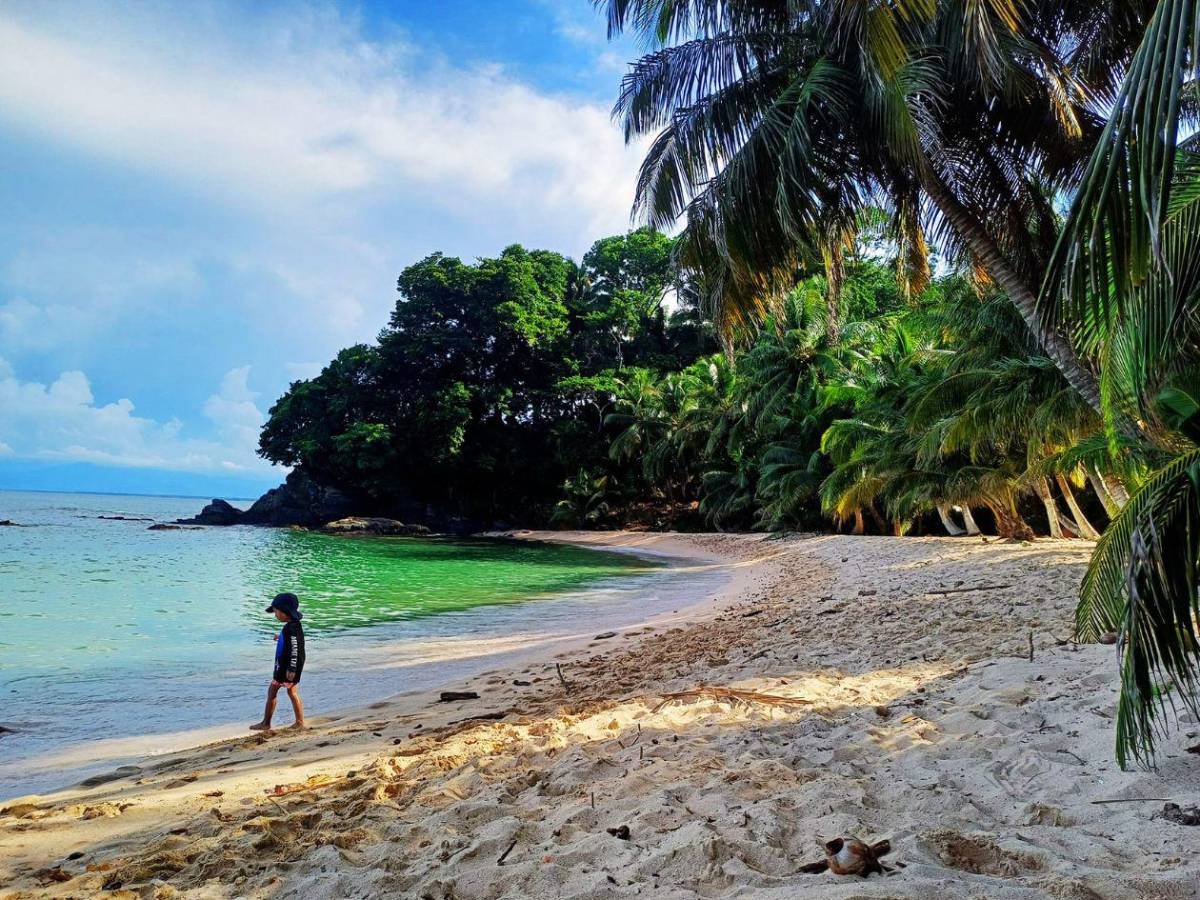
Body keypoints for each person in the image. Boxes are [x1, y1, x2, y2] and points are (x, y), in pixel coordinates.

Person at [250, 592, 306, 731]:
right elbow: (291, 642)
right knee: (288, 692)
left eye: (276, 612)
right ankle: (296, 722)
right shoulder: (292, 626)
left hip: (288, 668)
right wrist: (280, 638)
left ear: (285, 611)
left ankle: (268, 723)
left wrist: (292, 669)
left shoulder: (291, 628)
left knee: (277, 691)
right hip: (287, 666)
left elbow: (294, 648)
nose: (275, 615)